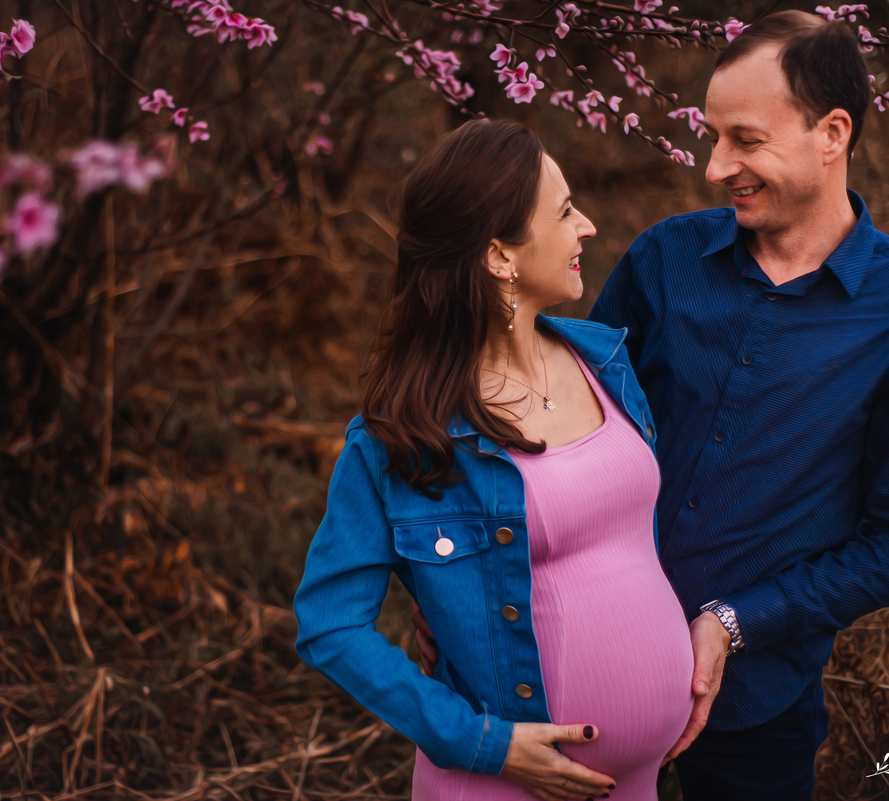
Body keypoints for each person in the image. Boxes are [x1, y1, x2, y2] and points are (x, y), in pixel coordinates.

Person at [415, 11, 889, 800]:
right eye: (712, 135)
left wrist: (735, 621)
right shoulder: (666, 259)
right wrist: (451, 572)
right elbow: (547, 424)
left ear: (832, 132)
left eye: (745, 139)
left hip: (755, 713)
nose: (714, 165)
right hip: (564, 691)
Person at [294, 118, 697, 801]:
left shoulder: (605, 360)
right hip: (502, 785)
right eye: (565, 211)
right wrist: (486, 743)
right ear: (499, 255)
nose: (588, 226)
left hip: (638, 781)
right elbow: (330, 623)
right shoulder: (402, 436)